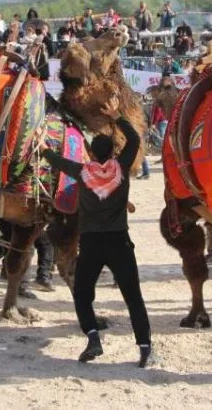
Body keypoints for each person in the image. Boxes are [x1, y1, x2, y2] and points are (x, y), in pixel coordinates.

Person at [41, 96, 154, 367]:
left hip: (91, 244)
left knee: (82, 294)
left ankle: (93, 338)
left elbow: (55, 160)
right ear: (112, 154)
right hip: (119, 242)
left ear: (91, 154)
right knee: (133, 297)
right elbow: (135, 142)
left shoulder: (81, 171)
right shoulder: (121, 169)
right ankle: (145, 348)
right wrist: (117, 117)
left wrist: (43, 147)